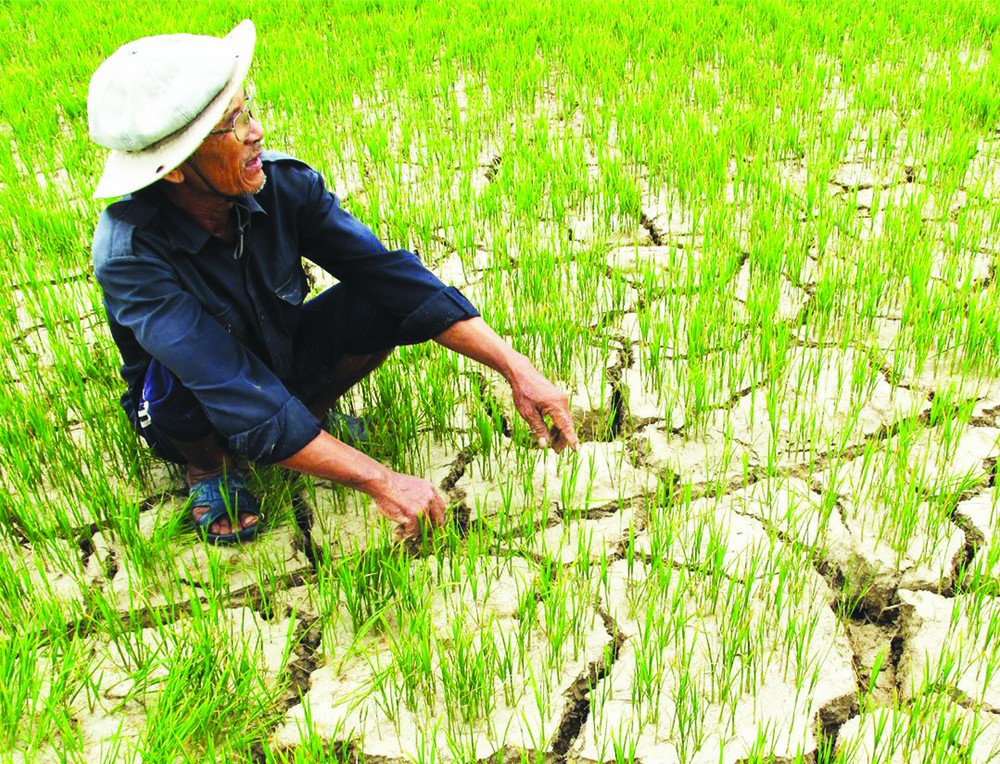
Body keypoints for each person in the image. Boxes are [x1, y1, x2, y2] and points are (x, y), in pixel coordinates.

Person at [88, 20, 578, 545]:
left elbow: (391, 278)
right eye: (232, 125)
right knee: (173, 377)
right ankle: (209, 468)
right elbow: (228, 384)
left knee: (377, 301)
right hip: (191, 406)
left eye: (247, 110)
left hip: (276, 356)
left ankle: (310, 419)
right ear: (173, 169)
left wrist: (514, 367)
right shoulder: (131, 255)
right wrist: (381, 480)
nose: (256, 132)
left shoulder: (282, 186)